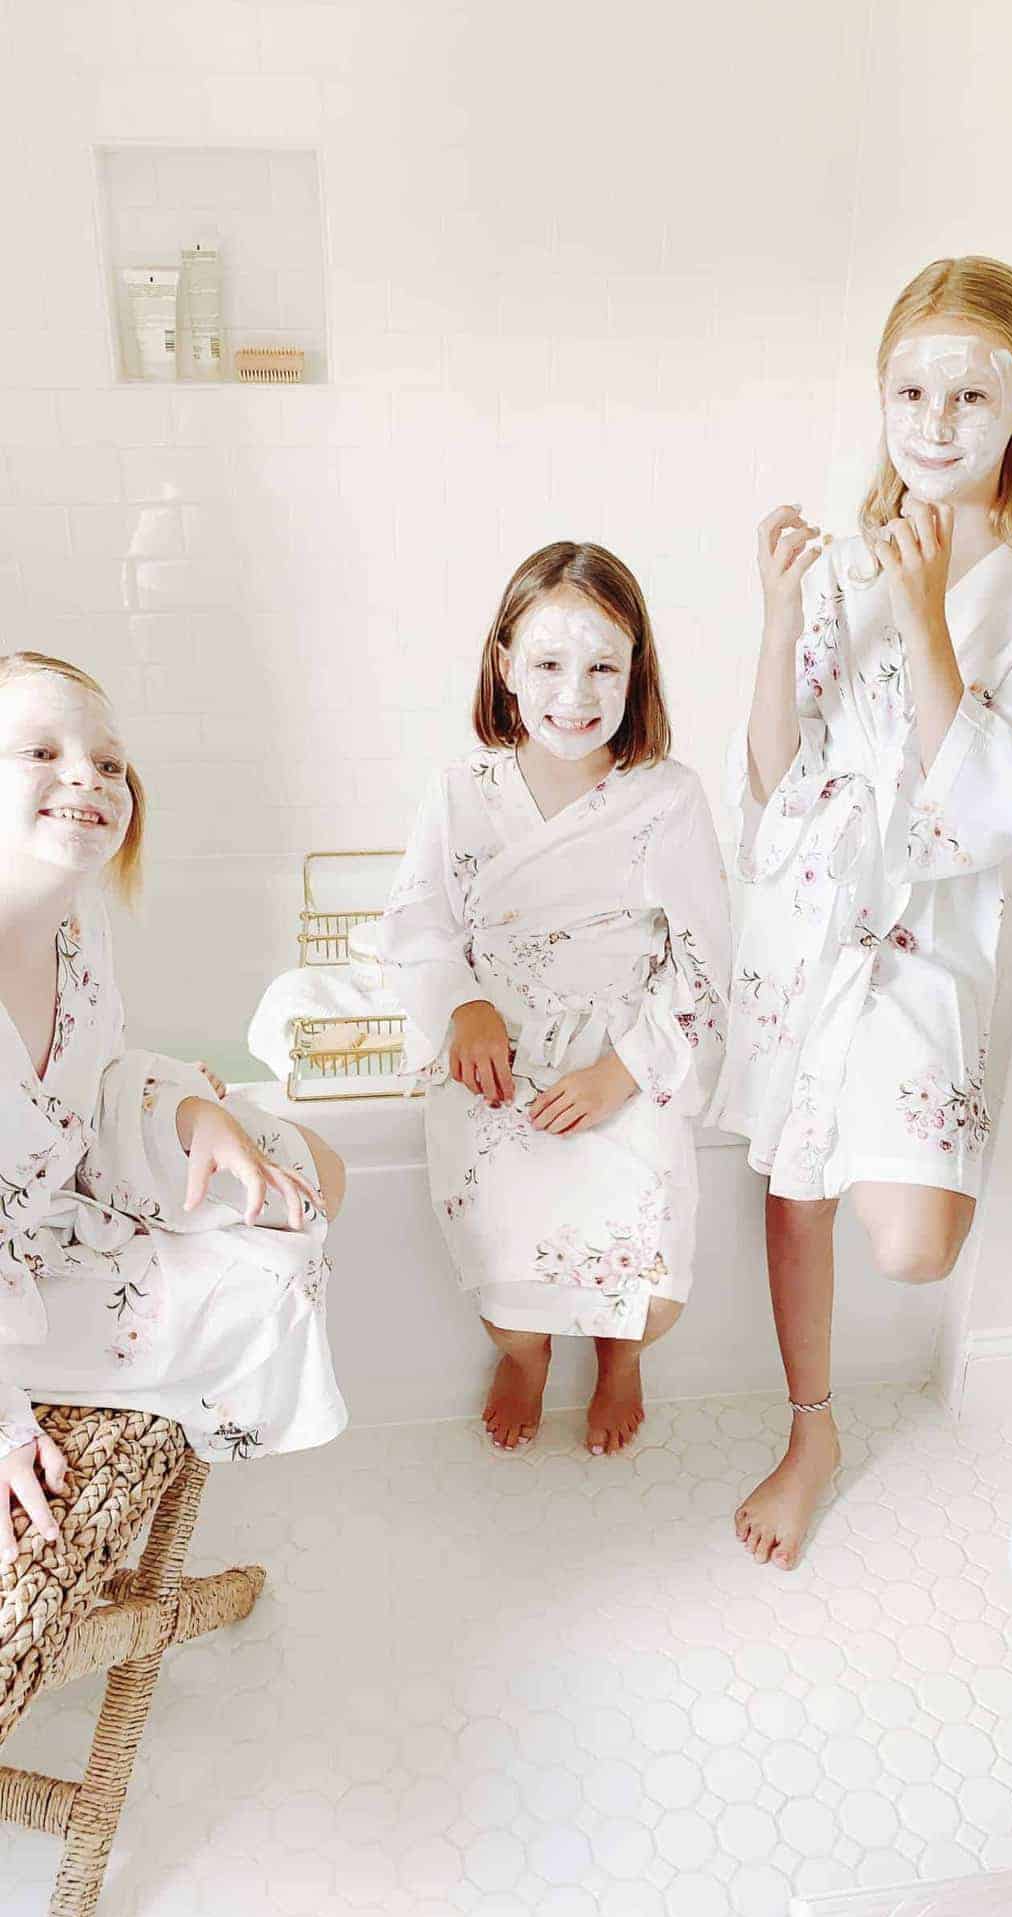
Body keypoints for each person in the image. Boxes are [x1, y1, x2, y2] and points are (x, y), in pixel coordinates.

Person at [711, 257, 1012, 1568]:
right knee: (797, 1177)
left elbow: (990, 809)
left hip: (927, 946)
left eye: (970, 394)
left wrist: (929, 617)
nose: (934, 422)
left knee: (920, 1243)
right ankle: (809, 1428)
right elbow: (773, 786)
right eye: (909, 391)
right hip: (809, 929)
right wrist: (779, 622)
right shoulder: (841, 569)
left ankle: (829, 1406)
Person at [370, 542, 730, 1454]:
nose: (575, 693)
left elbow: (702, 961)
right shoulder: (461, 791)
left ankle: (620, 1360)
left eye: (603, 665)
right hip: (499, 1055)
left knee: (648, 1293)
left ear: (635, 670)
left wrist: (625, 1070)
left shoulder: (668, 799)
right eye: (549, 664)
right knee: (503, 1259)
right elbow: (416, 920)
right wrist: (462, 1007)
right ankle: (524, 1358)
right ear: (505, 666)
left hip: (623, 1048)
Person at [0, 652, 347, 1565]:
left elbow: (101, 1072)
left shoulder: (76, 926)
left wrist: (202, 1121)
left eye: (109, 762)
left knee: (299, 1169)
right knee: (270, 1282)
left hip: (52, 1205)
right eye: (39, 751)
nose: (87, 776)